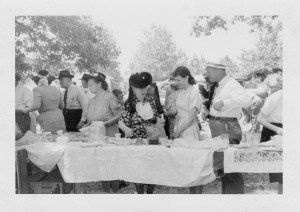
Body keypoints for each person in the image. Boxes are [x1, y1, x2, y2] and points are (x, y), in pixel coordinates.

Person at [201, 59, 252, 194]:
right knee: (223, 167)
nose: (207, 74)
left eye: (209, 71)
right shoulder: (220, 85)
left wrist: (225, 102)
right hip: (220, 126)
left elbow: (247, 100)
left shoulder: (232, 84)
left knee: (230, 166)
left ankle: (237, 200)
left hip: (226, 128)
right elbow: (216, 106)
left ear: (219, 70)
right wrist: (209, 112)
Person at [118, 72, 160, 194]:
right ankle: (140, 195)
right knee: (139, 171)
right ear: (133, 88)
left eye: (146, 87)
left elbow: (155, 119)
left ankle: (150, 194)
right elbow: (121, 122)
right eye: (140, 88)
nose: (144, 90)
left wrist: (158, 122)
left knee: (152, 171)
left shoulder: (151, 101)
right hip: (137, 142)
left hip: (152, 141)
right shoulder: (128, 103)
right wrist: (126, 129)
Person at [83, 72, 121, 193]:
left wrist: (105, 124)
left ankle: (115, 191)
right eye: (88, 86)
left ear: (99, 84)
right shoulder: (91, 100)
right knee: (101, 163)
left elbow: (119, 115)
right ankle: (106, 192)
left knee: (112, 163)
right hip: (96, 134)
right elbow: (91, 119)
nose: (89, 88)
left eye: (91, 85)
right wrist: (87, 125)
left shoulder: (109, 97)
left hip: (109, 132)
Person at [257, 75, 282, 194]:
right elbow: (260, 119)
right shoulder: (275, 97)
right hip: (274, 131)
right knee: (277, 173)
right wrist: (277, 130)